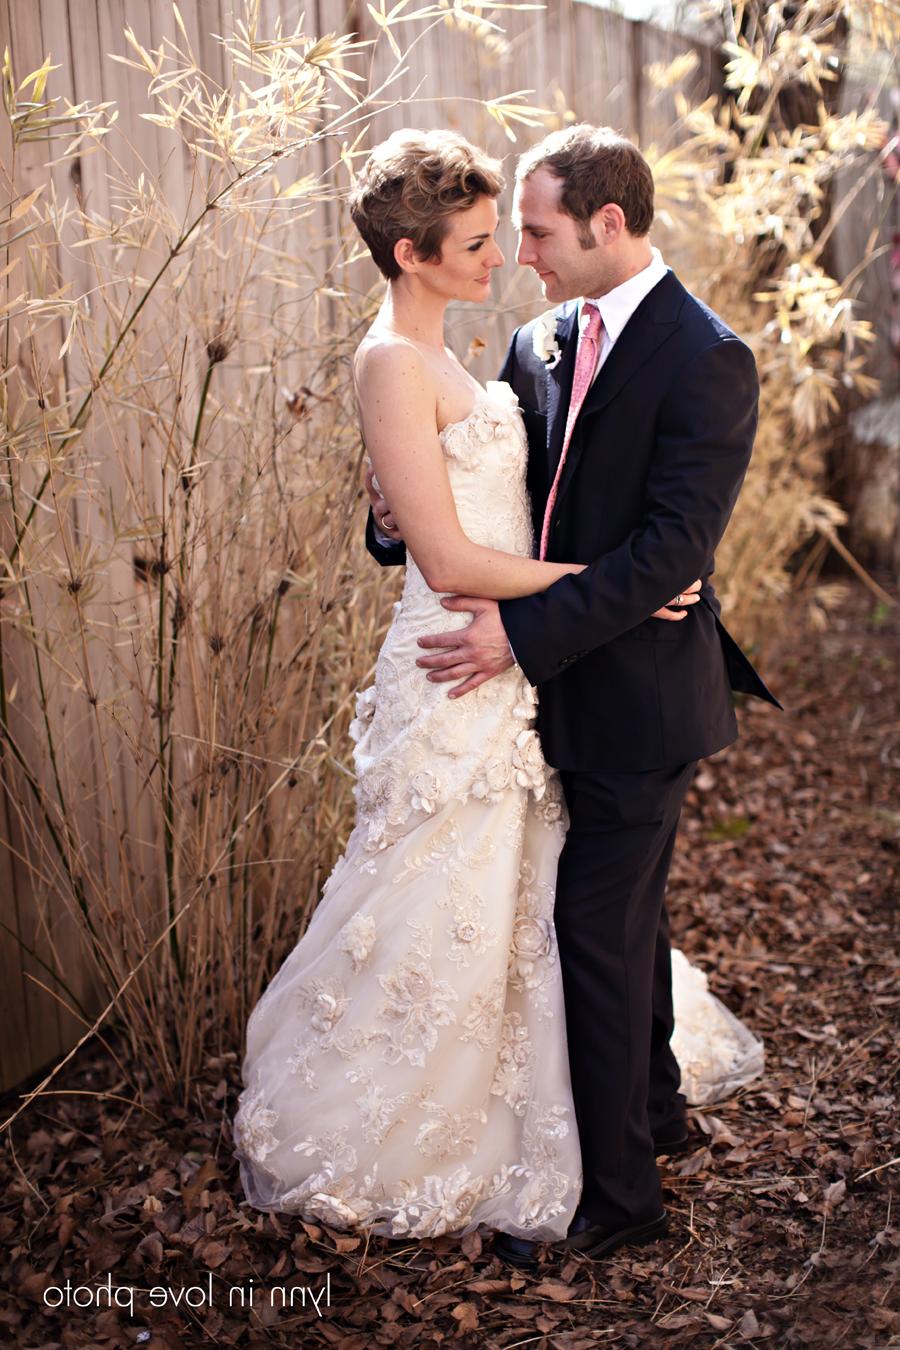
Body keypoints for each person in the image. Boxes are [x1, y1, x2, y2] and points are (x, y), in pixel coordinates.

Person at [233, 128, 767, 1258]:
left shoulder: (704, 356)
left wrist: (522, 628)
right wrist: (397, 531)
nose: (518, 255)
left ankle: (621, 1207)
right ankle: (651, 1114)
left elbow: (676, 545)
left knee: (598, 925)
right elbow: (462, 505)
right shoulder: (534, 341)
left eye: (533, 232)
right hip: (515, 683)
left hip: (633, 695)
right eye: (498, 235)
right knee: (605, 918)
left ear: (606, 226)